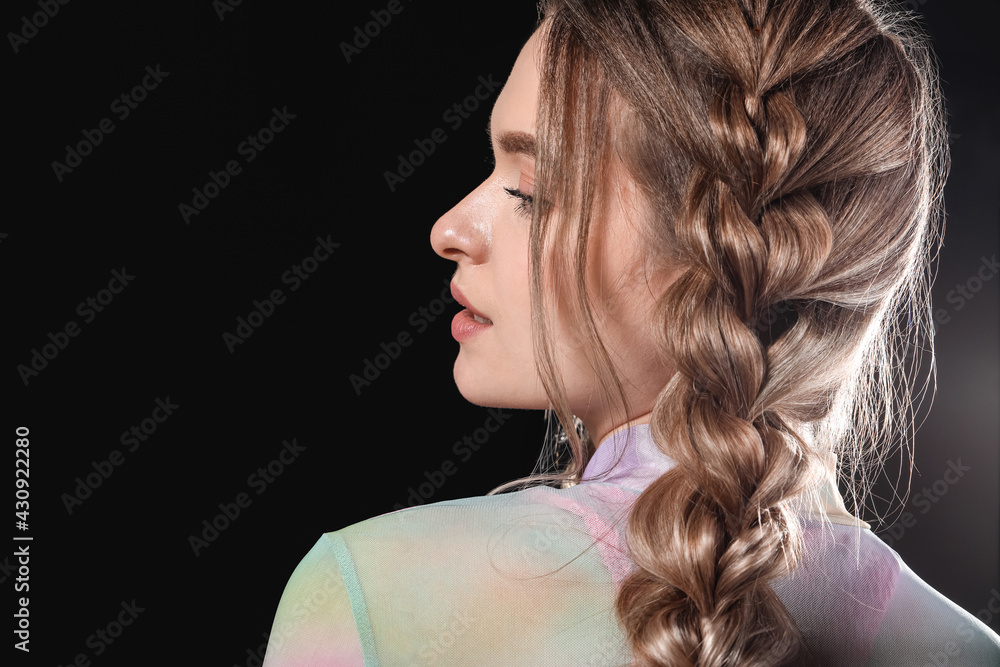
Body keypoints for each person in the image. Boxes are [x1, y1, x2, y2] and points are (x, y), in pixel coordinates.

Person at [262, 0, 1000, 664]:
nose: (449, 228)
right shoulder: (966, 649)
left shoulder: (372, 595)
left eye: (530, 191)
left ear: (718, 246)